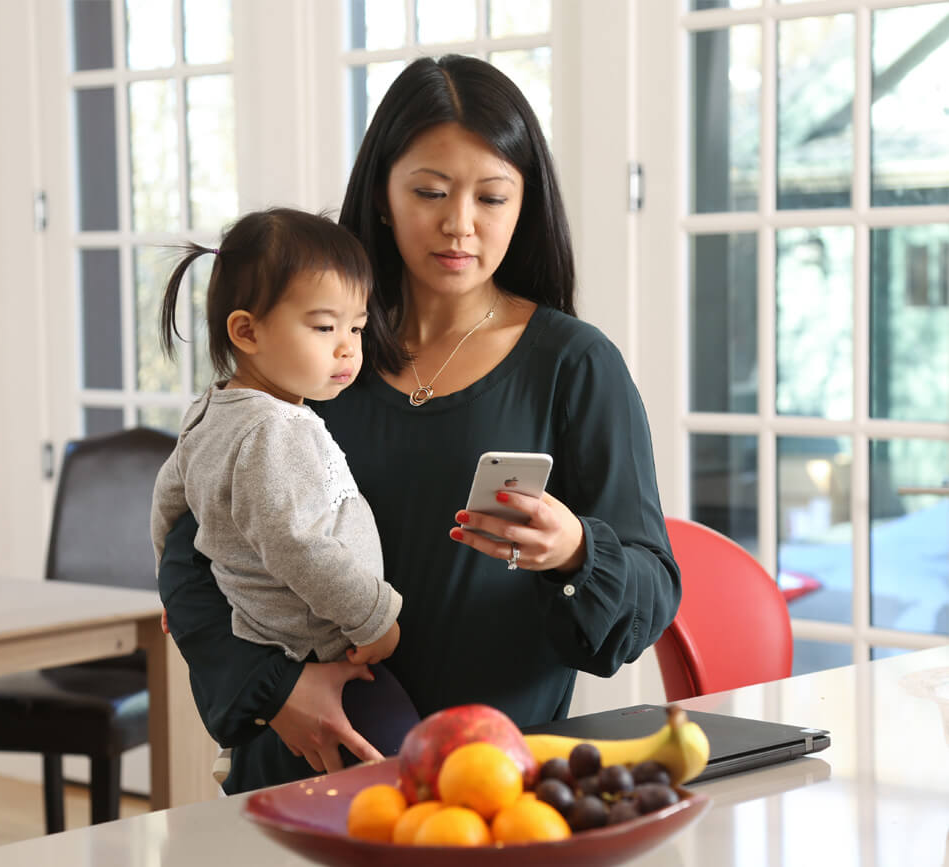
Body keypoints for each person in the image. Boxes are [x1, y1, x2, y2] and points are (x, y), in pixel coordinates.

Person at [158, 55, 681, 795]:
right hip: (305, 766)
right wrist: (273, 691)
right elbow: (189, 556)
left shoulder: (573, 364)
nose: (457, 224)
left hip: (491, 787)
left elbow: (650, 583)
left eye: (491, 197)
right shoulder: (310, 351)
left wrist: (574, 550)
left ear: (524, 205)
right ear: (381, 194)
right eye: (429, 191)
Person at [151, 208, 421, 763]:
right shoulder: (276, 430)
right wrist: (375, 617)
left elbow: (169, 504)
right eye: (324, 327)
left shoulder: (209, 410)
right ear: (246, 331)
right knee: (397, 762)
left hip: (259, 633)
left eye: (356, 327)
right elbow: (297, 545)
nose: (347, 347)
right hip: (318, 642)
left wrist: (168, 586)